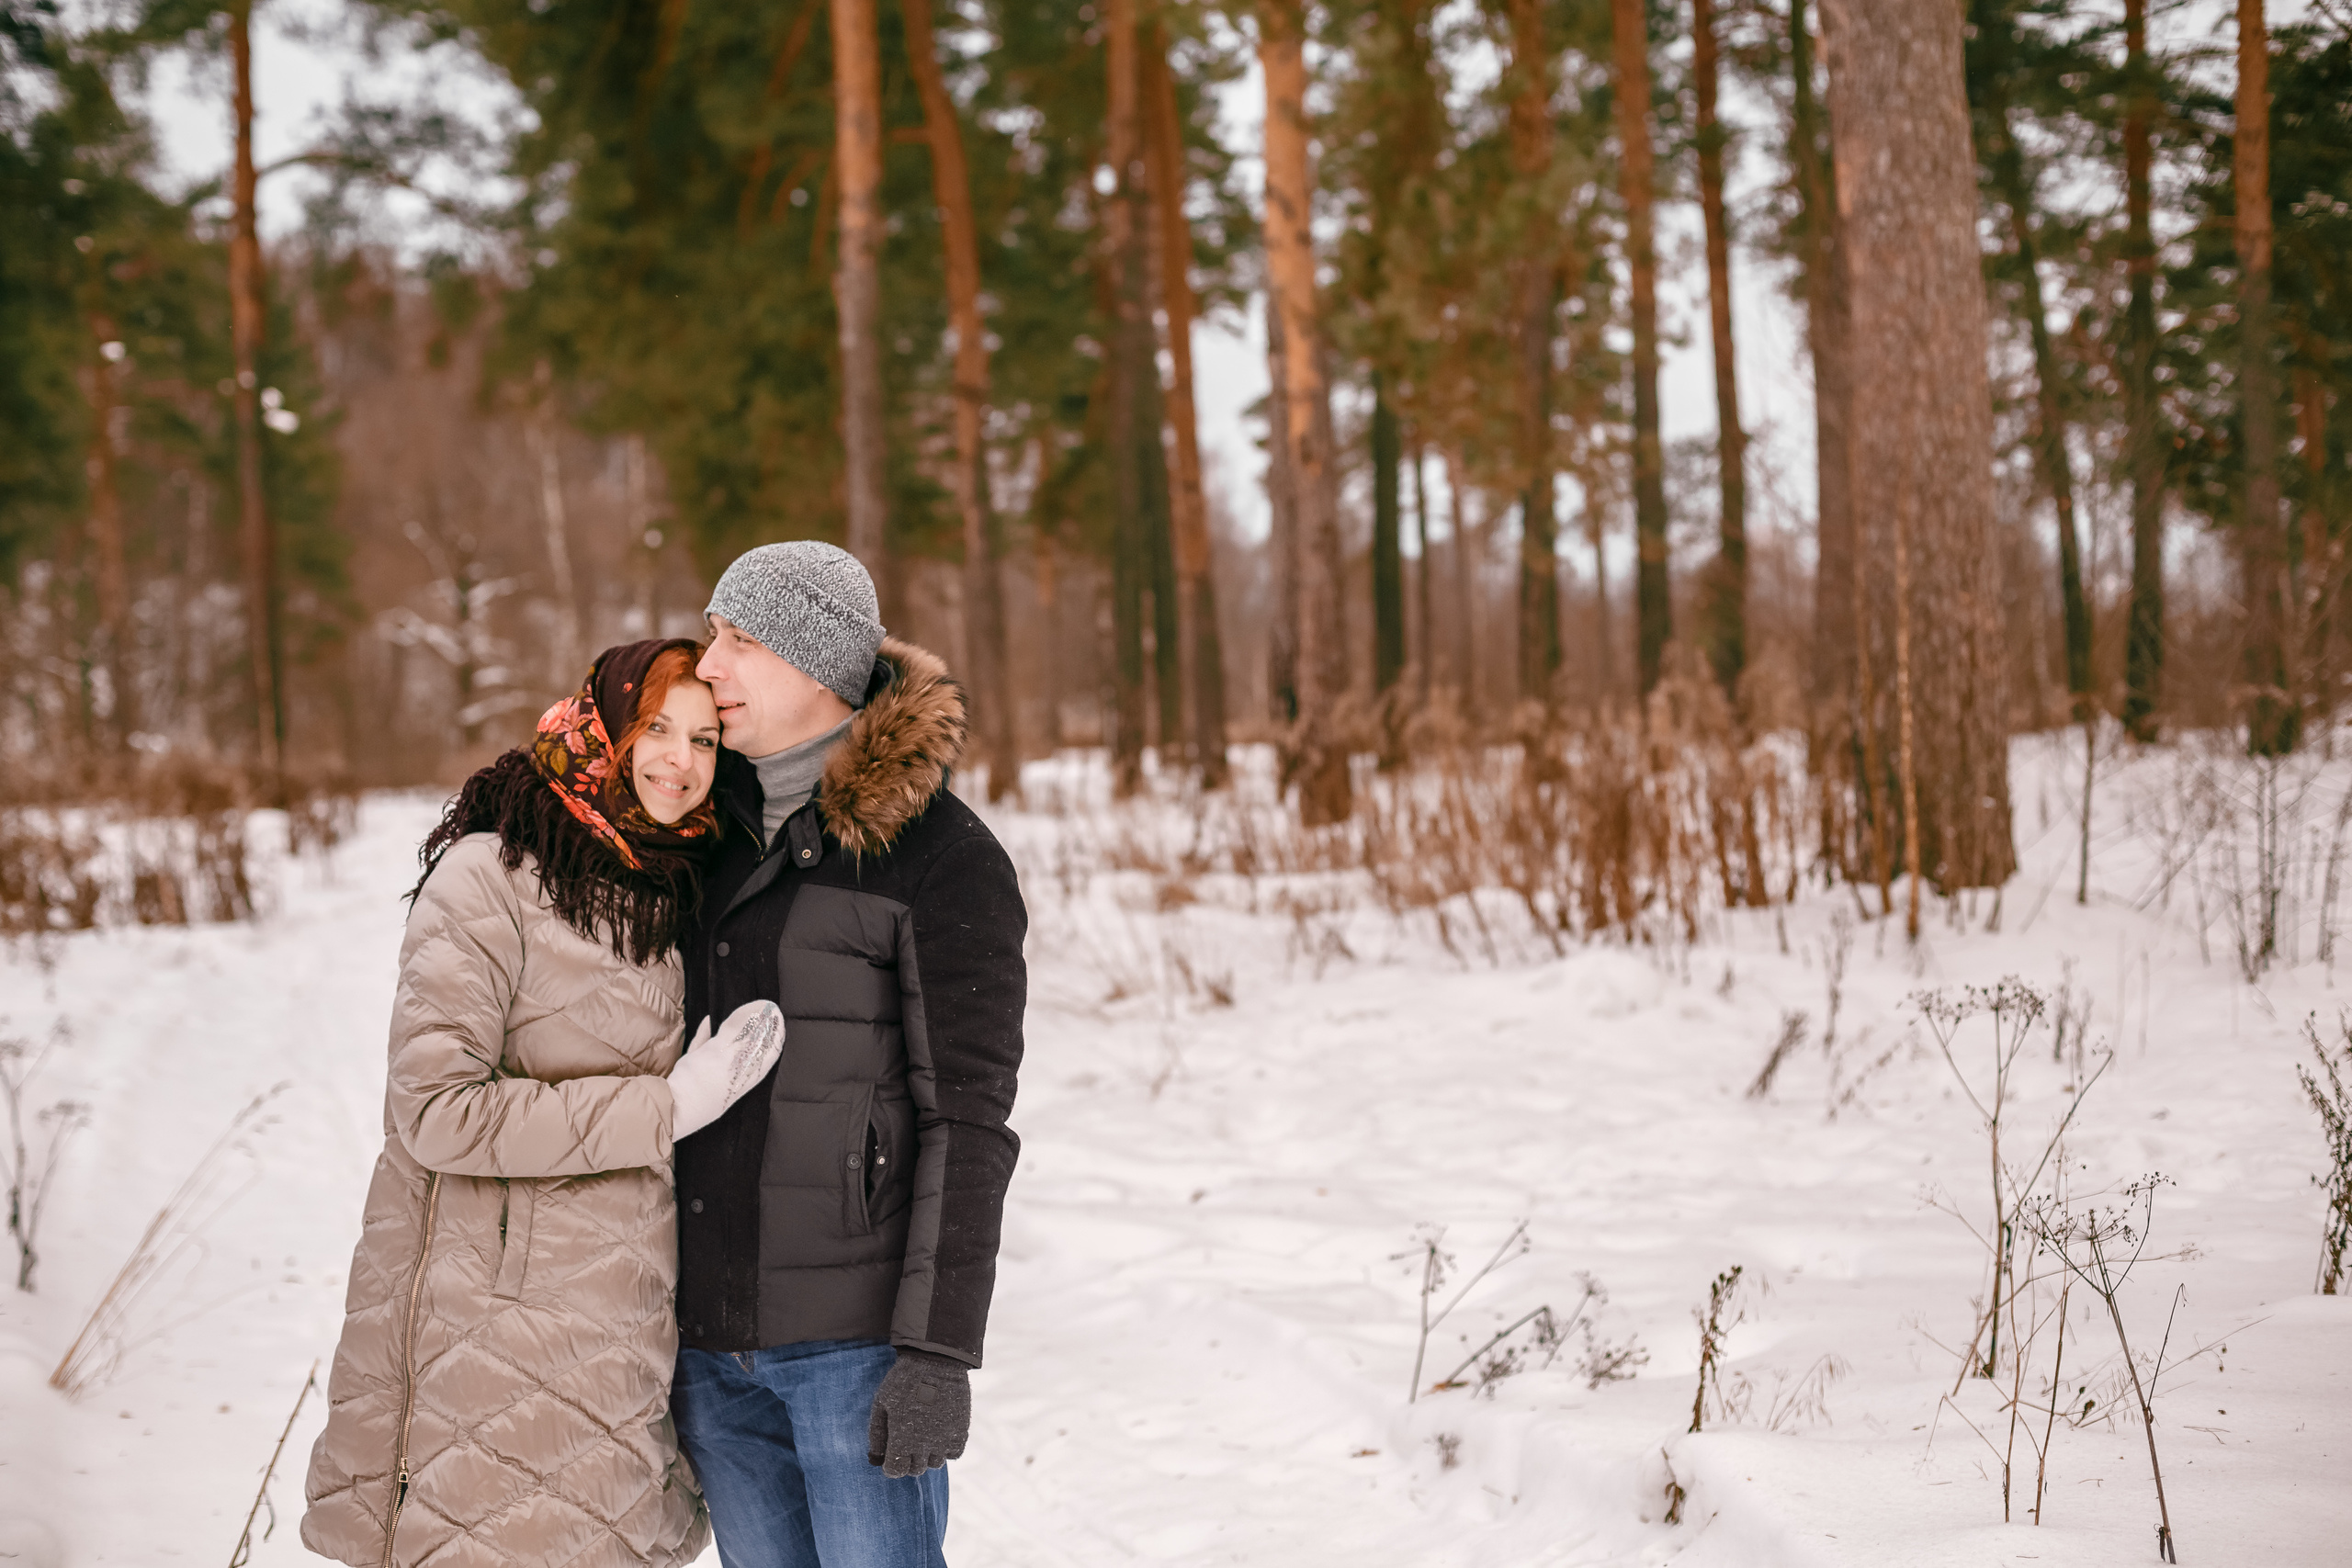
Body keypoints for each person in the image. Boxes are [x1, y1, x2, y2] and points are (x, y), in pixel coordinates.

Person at [303, 638, 787, 1568]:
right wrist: (667, 1106)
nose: (680, 761)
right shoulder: (488, 877)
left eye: (703, 739)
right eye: (656, 729)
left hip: (626, 1324)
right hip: (486, 1324)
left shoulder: (679, 889)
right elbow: (436, 1111)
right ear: (604, 728)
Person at [669, 541, 1026, 1568]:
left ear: (815, 661)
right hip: (707, 1344)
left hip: (852, 1350)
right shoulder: (701, 834)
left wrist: (937, 1352)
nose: (709, 667)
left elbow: (969, 1121)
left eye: (739, 640)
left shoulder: (942, 858)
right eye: (712, 636)